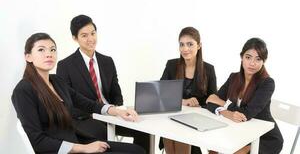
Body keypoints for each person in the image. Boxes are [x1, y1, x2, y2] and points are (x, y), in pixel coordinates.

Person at [11, 33, 145, 154]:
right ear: (28, 57)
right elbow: (36, 140)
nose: (49, 54)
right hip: (62, 150)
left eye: (53, 49)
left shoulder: (57, 81)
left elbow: (87, 104)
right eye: (41, 50)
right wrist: (83, 148)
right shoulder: (23, 90)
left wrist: (117, 111)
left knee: (138, 150)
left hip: (78, 141)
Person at [56, 15, 150, 153]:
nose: (90, 39)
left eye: (93, 33)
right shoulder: (65, 65)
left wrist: (117, 110)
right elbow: (69, 103)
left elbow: (116, 93)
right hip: (86, 118)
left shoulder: (107, 61)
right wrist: (97, 113)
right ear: (75, 38)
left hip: (111, 114)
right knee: (101, 134)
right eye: (84, 35)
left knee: (143, 130)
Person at [206, 37, 283, 154]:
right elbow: (210, 102)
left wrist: (223, 103)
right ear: (242, 57)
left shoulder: (267, 83)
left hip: (264, 137)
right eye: (248, 57)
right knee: (213, 147)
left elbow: (246, 114)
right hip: (238, 131)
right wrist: (228, 113)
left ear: (264, 61)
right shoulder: (233, 77)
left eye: (258, 59)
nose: (252, 63)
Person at [160, 27, 217, 154]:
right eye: (182, 44)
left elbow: (213, 100)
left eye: (190, 44)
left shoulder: (208, 69)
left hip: (197, 121)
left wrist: (199, 104)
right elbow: (160, 94)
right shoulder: (171, 65)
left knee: (181, 133)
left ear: (199, 46)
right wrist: (183, 101)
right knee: (171, 130)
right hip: (173, 118)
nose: (185, 49)